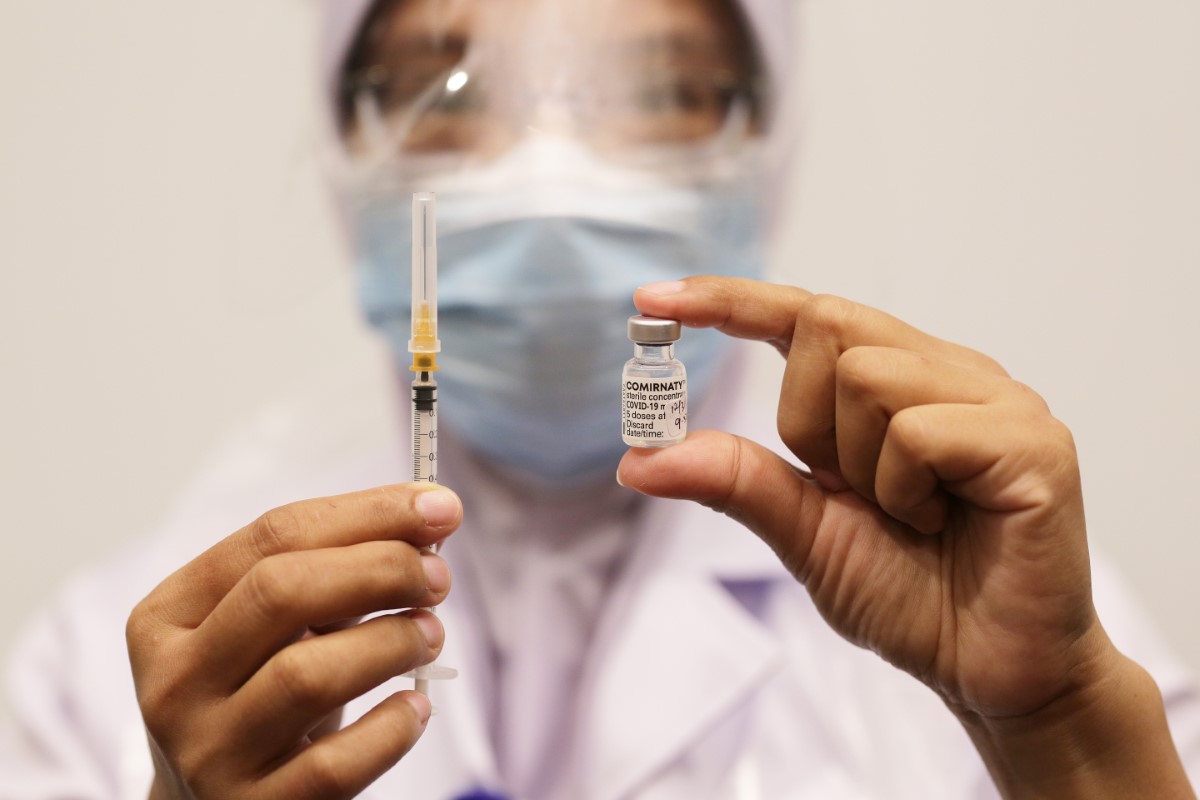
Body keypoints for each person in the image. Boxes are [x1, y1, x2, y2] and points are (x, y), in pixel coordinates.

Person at [3, 0, 1199, 798]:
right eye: (452, 97)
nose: (549, 176)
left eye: (650, 91)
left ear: (762, 136)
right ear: (350, 147)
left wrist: (1058, 726)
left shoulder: (1021, 616)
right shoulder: (126, 659)